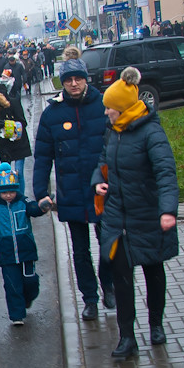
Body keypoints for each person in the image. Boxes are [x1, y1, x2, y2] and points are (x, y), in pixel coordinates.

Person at [93, 67, 179, 360]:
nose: (106, 112)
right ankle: (127, 337)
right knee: (121, 277)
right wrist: (98, 180)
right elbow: (102, 161)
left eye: (110, 107)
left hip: (146, 215)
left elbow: (166, 172)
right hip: (117, 217)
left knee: (154, 271)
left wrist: (167, 210)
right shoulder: (112, 132)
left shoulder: (150, 131)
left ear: (123, 108)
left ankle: (156, 324)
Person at [33, 45, 114, 319]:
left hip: (103, 190)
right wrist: (41, 192)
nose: (74, 84)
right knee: (80, 251)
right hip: (71, 191)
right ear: (63, 83)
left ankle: (109, 286)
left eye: (78, 78)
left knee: (109, 243)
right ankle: (89, 298)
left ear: (85, 78)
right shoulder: (52, 114)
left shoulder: (104, 105)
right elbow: (43, 156)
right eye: (68, 80)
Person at [0, 164, 49, 326]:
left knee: (31, 281)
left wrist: (43, 207)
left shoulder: (23, 202)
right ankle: (17, 315)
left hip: (26, 250)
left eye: (12, 192)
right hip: (6, 252)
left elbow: (34, 209)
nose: (8, 195)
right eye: (5, 192)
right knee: (12, 284)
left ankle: (28, 298)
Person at [0, 87, 31, 191]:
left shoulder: (13, 103)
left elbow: (23, 122)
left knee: (19, 172)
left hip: (19, 143)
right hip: (5, 145)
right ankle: (9, 194)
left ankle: (21, 196)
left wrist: (7, 124)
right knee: (6, 173)